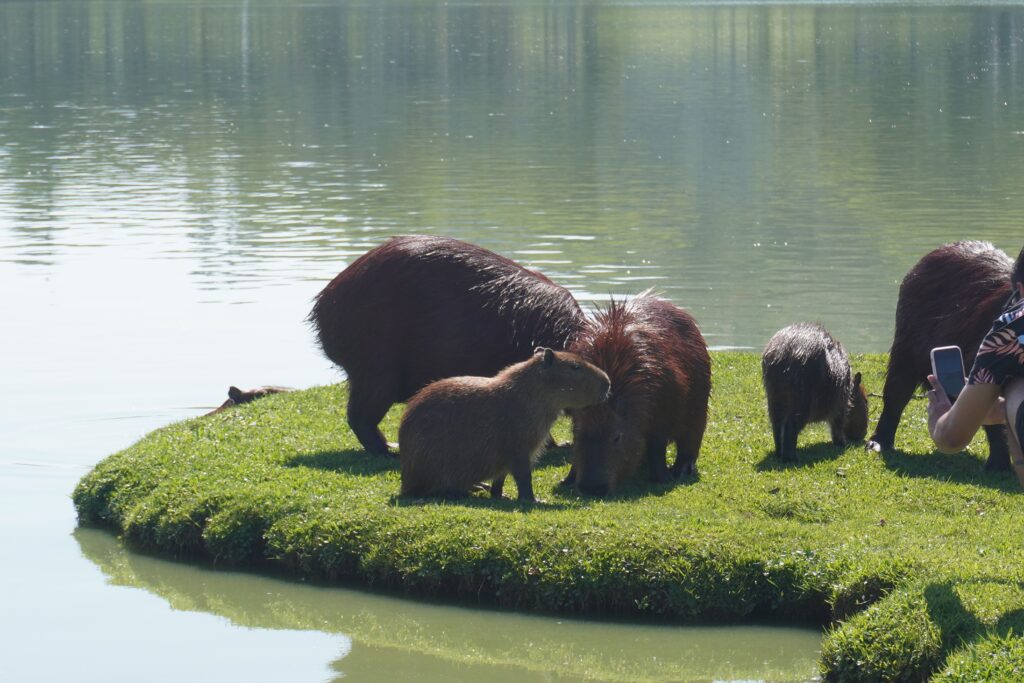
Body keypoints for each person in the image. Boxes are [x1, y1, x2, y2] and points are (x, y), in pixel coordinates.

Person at [927, 245, 1024, 488]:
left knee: (1017, 393)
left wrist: (940, 421)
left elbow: (952, 438)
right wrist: (1000, 413)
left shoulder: (1011, 332)